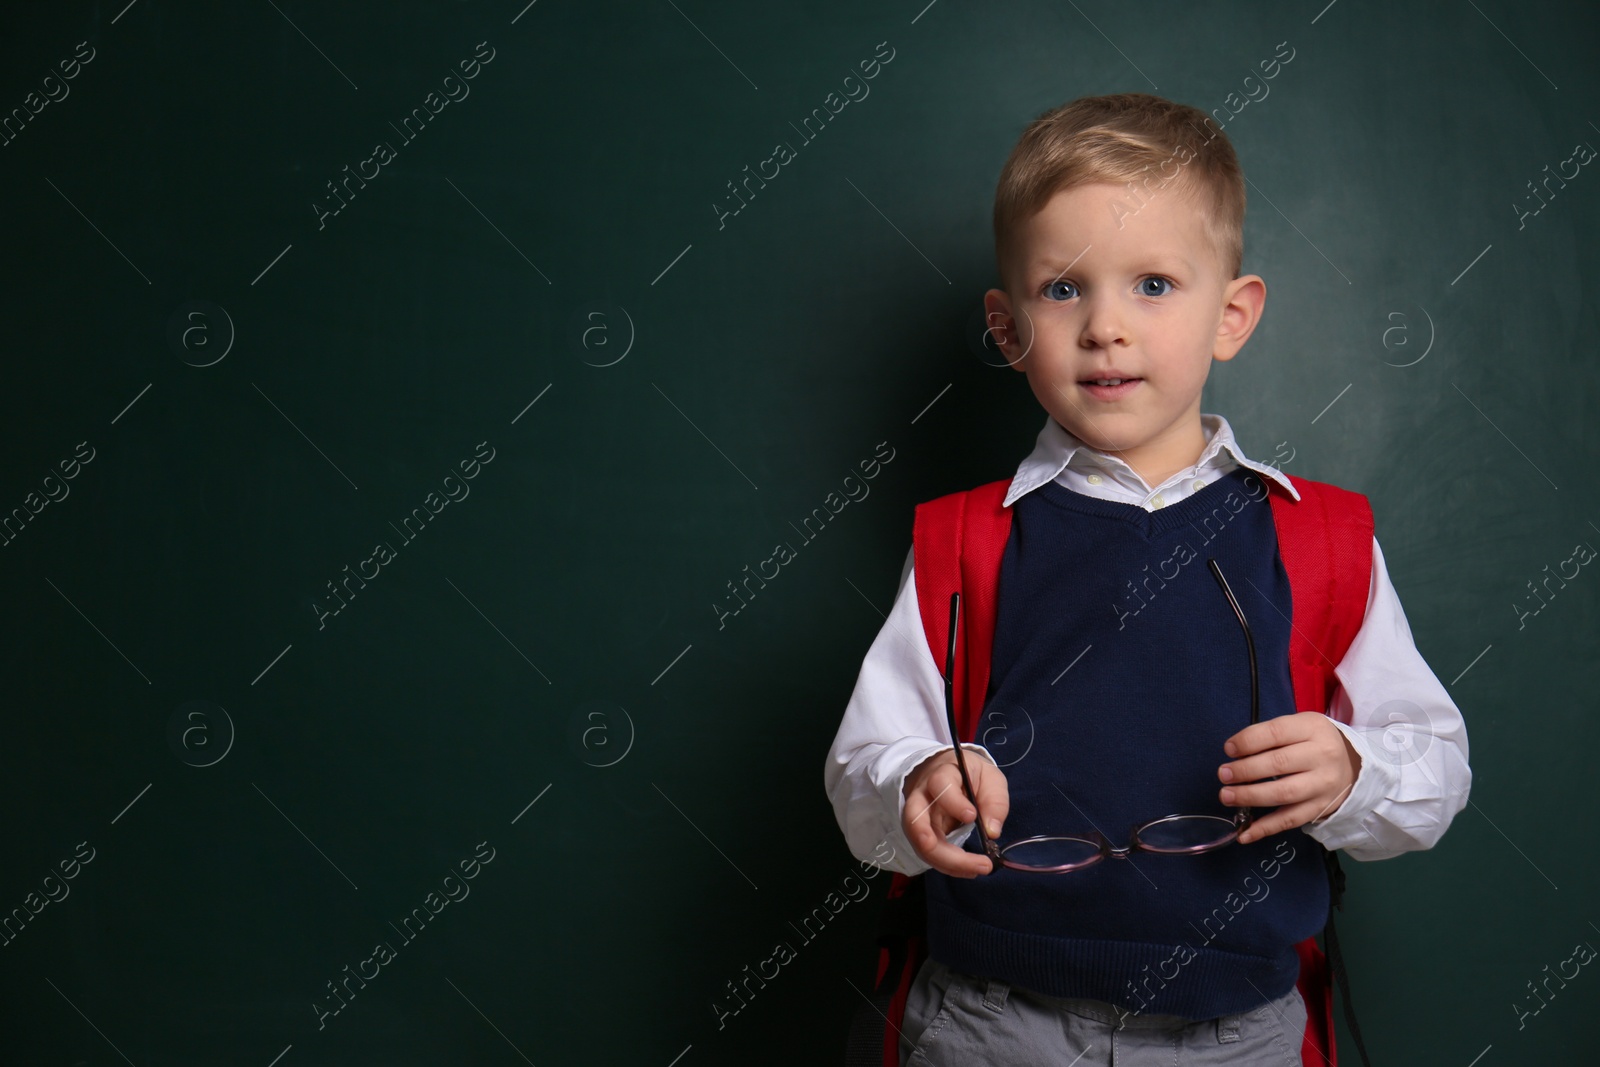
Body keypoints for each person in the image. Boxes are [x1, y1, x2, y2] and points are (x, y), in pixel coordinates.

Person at [824, 92, 1472, 1066]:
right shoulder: (964, 541)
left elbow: (1434, 765)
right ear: (1006, 328)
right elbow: (862, 766)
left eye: (1155, 284)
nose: (1106, 328)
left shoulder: (1319, 538)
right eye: (1063, 289)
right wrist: (914, 780)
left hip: (1236, 1032)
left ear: (1233, 314)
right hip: (993, 1023)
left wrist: (1351, 770)